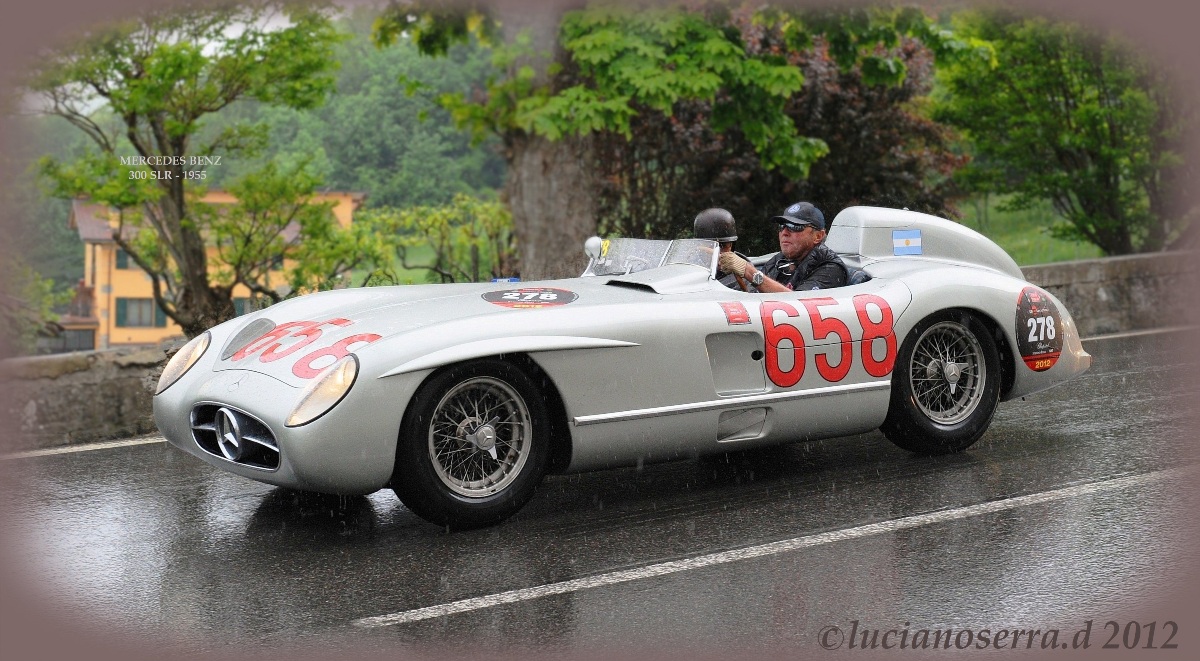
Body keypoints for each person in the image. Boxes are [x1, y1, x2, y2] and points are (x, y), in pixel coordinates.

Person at [718, 201, 847, 292]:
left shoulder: (831, 268)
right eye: (782, 226)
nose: (784, 232)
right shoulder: (780, 260)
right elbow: (753, 292)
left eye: (795, 227)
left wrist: (747, 270)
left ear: (818, 236)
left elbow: (800, 307)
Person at [693, 207, 750, 290]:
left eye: (723, 246)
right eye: (711, 246)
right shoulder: (689, 268)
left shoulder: (745, 272)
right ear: (699, 246)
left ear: (731, 246)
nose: (717, 252)